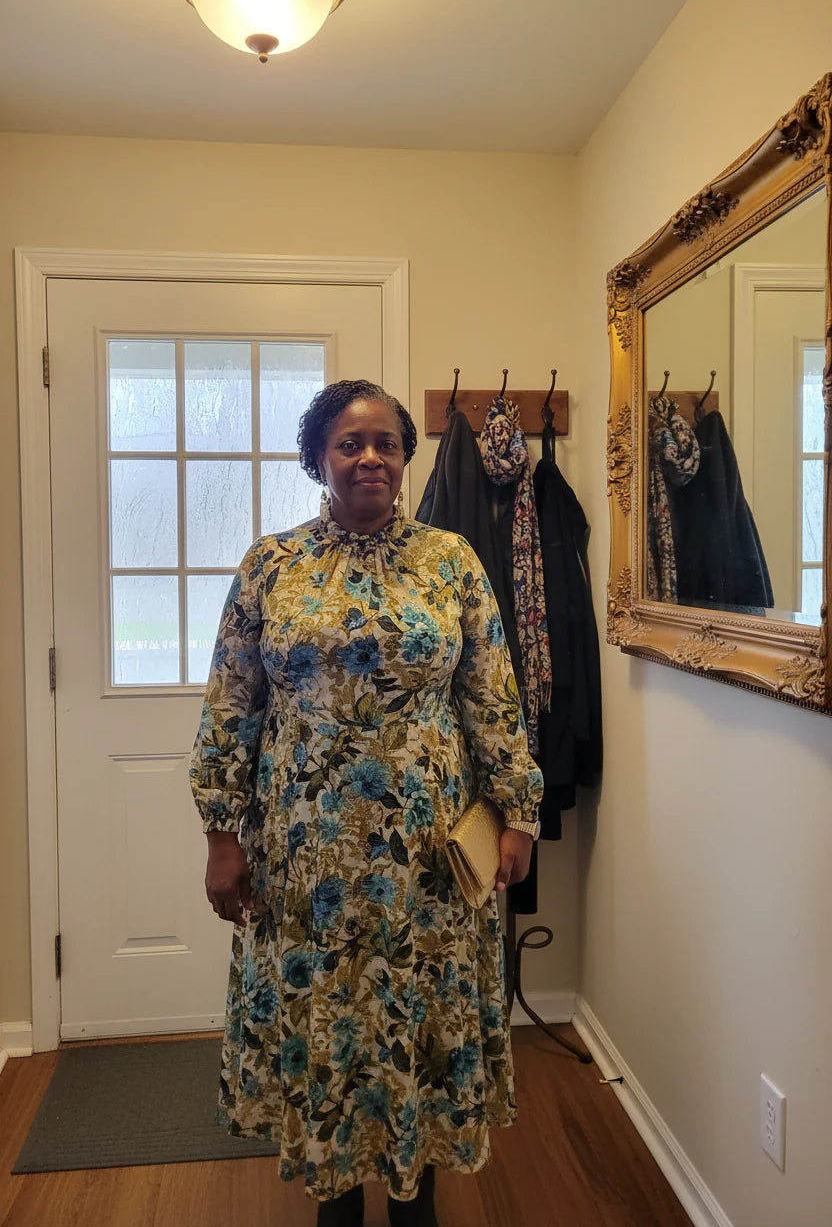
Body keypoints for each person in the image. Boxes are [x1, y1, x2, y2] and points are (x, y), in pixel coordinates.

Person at [190, 379, 543, 1227]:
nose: (370, 458)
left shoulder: (451, 561)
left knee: (418, 1018)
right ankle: (336, 1199)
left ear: (406, 456)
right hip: (304, 857)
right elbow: (231, 705)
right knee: (329, 1027)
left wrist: (519, 814)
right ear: (318, 459)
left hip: (429, 859)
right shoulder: (271, 566)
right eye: (350, 444)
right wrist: (221, 837)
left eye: (386, 442)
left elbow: (493, 695)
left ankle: (417, 1198)